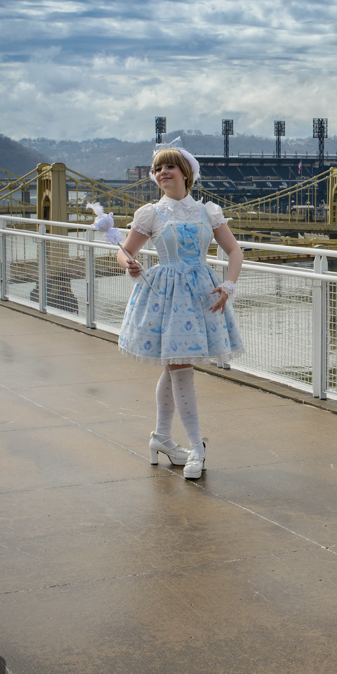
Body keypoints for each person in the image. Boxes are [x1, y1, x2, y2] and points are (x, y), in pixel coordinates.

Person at [117, 143, 245, 479]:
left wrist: (228, 286)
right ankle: (195, 448)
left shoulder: (208, 212)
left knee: (174, 366)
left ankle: (161, 438)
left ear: (185, 173)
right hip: (166, 296)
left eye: (168, 167)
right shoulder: (150, 214)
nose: (162, 173)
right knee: (179, 366)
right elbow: (125, 251)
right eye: (157, 169)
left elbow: (234, 251)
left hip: (201, 294)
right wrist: (128, 265)